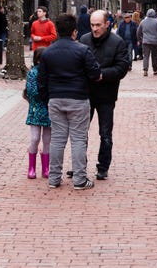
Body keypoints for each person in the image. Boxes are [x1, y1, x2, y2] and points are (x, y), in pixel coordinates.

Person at [38, 13, 101, 190]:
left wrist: (47, 99)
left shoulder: (48, 52)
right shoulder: (82, 50)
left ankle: (54, 178)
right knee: (78, 139)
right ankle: (80, 179)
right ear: (75, 31)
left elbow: (41, 81)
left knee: (57, 139)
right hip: (78, 98)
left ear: (57, 31)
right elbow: (95, 73)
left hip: (56, 99)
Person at [79, 9, 130, 180]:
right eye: (92, 25)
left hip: (106, 94)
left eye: (98, 25)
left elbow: (122, 67)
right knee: (81, 132)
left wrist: (103, 74)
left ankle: (103, 166)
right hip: (86, 94)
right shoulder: (84, 40)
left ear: (107, 24)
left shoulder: (117, 42)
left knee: (105, 133)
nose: (95, 29)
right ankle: (79, 164)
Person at [25, 48, 51, 179]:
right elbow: (31, 91)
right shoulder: (32, 73)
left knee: (47, 140)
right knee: (35, 138)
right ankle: (31, 167)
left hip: (49, 110)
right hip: (36, 109)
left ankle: (46, 168)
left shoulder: (51, 72)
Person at [138, 8, 157, 76]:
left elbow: (138, 32)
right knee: (154, 56)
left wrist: (140, 39)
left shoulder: (143, 22)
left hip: (145, 41)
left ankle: (145, 70)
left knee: (146, 56)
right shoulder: (156, 22)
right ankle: (155, 70)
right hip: (155, 41)